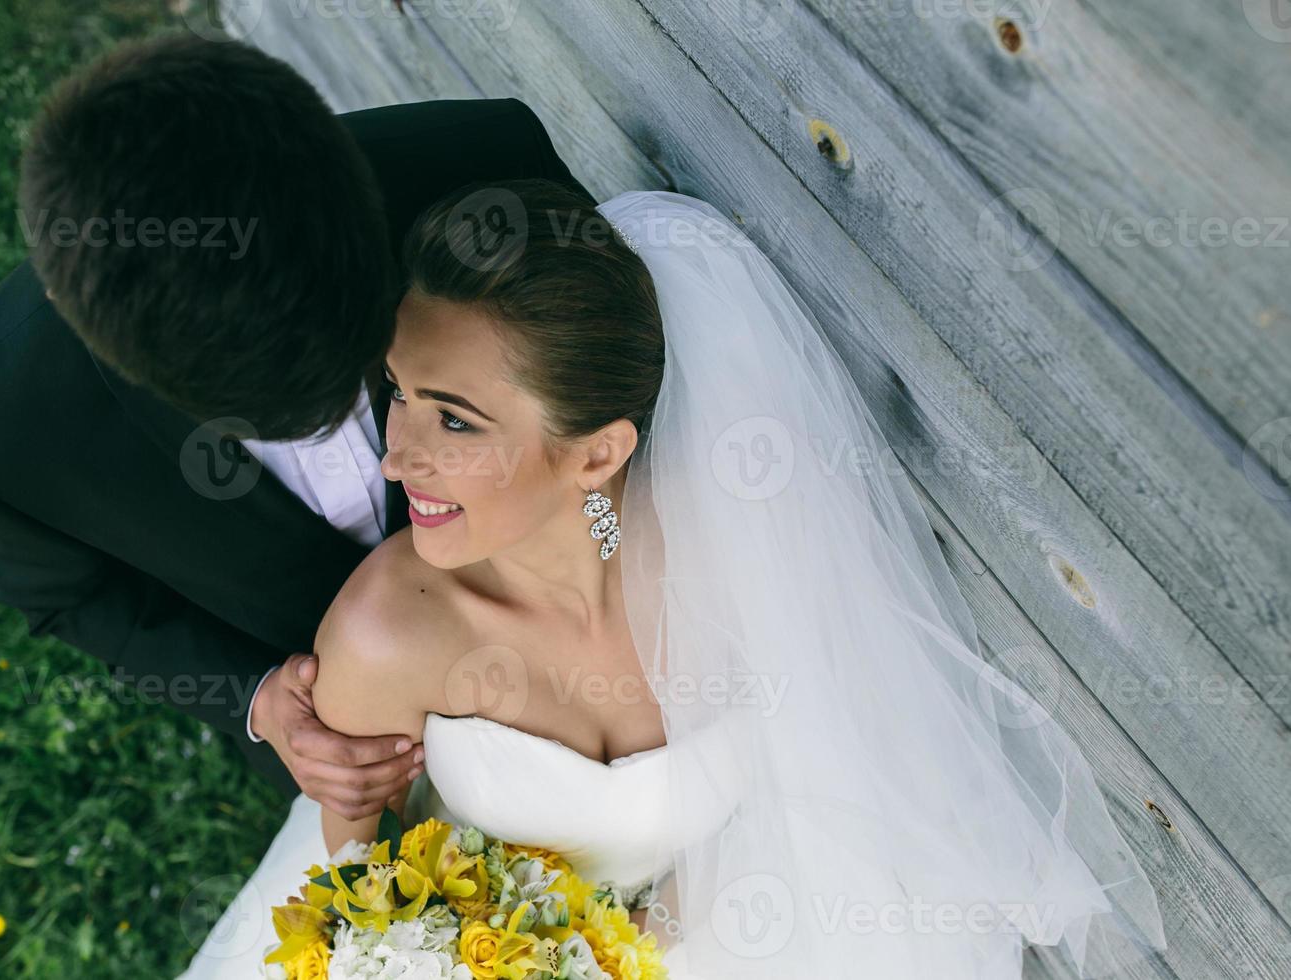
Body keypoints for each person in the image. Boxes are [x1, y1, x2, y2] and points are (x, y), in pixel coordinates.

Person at [184, 179, 1169, 979]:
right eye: (396, 394)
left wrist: (638, 939)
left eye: (454, 420)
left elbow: (831, 770)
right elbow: (358, 870)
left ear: (596, 452)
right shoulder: (386, 633)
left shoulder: (741, 549)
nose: (397, 458)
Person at [0, 34, 594, 813]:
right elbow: (68, 598)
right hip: (372, 764)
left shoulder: (485, 171)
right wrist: (257, 699)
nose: (387, 452)